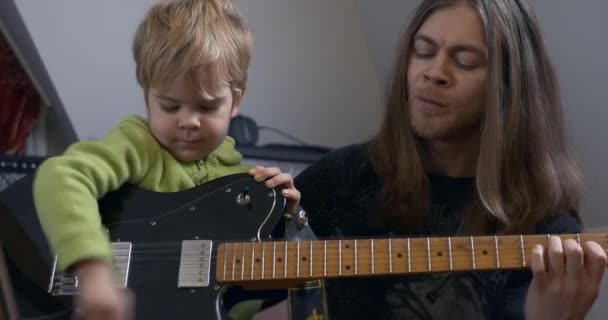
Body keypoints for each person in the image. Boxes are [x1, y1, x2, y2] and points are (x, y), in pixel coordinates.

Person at [293, 0, 607, 319]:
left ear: (509, 85)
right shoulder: (340, 176)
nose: (435, 73)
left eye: (466, 61)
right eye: (424, 51)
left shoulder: (547, 228)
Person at [32, 1, 300, 319]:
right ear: (147, 98)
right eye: (170, 107)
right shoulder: (139, 143)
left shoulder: (247, 188)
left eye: (206, 106)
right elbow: (62, 176)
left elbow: (244, 303)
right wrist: (92, 269)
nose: (188, 121)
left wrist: (289, 223)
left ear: (236, 99)